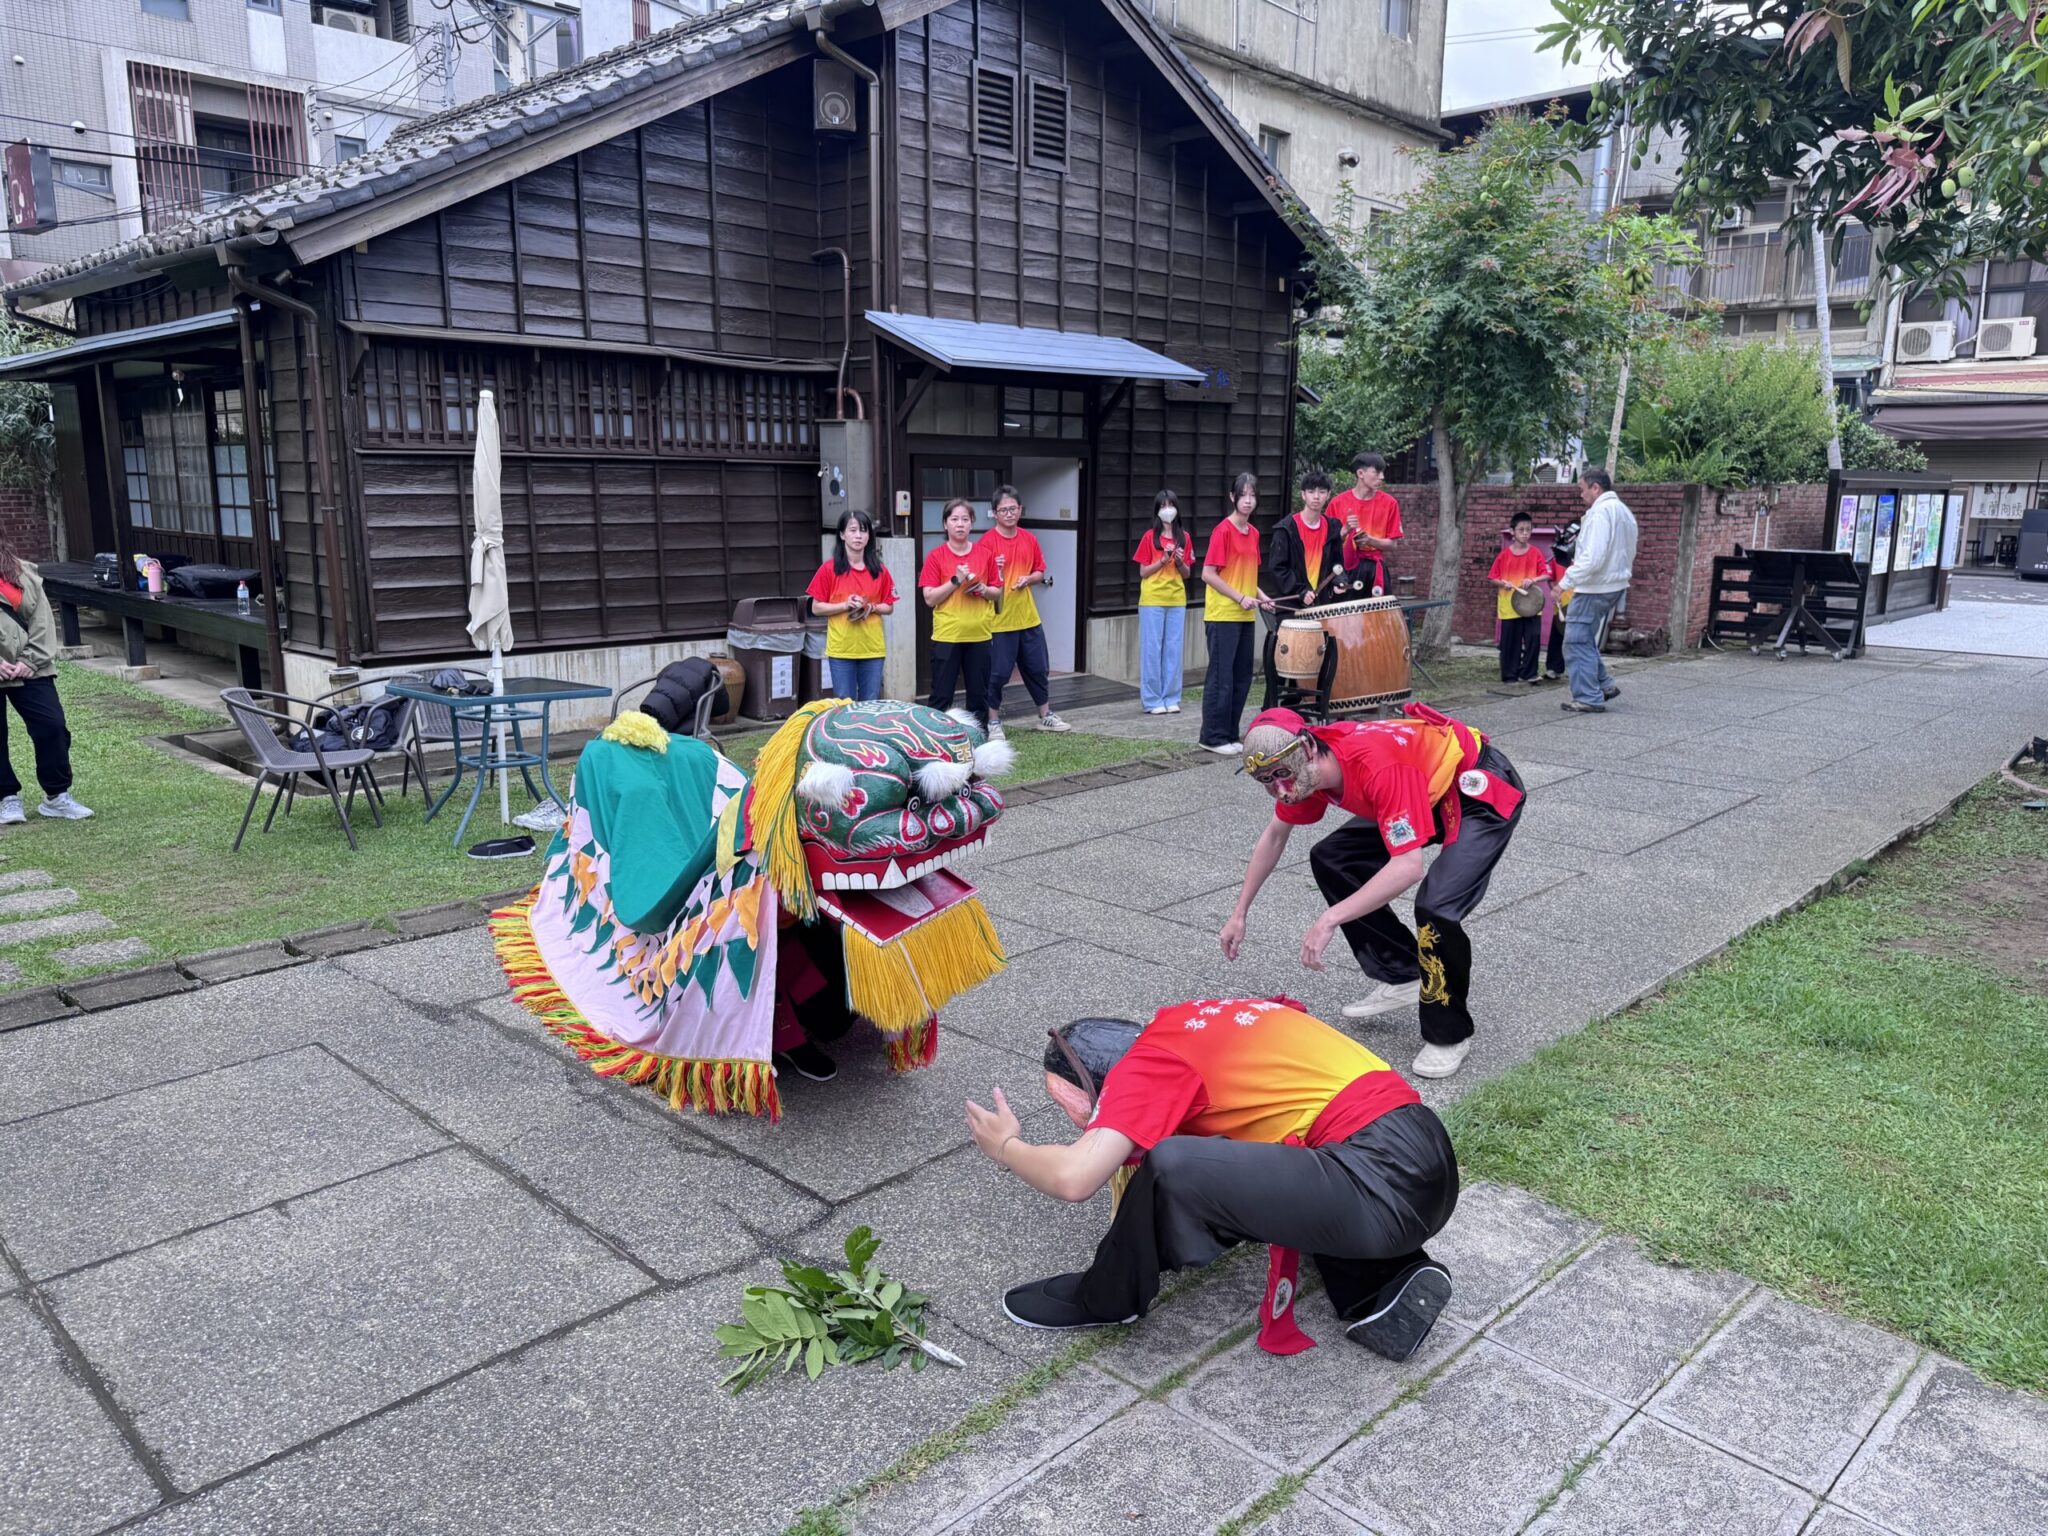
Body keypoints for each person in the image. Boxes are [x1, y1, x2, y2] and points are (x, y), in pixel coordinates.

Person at [963, 1000, 1459, 1359]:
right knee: (1286, 1156)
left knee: (1175, 1166)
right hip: (1423, 1151)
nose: (1071, 1115)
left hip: (1377, 1177)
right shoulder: (1202, 1021)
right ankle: (1386, 1285)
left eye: (1063, 1100)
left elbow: (1075, 1179)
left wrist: (1006, 1147)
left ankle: (1107, 1298)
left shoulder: (1148, 1065)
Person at [1218, 705, 1524, 1080]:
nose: (1280, 789)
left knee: (1437, 908)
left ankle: (1450, 1034)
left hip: (1474, 790)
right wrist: (1239, 912)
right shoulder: (1305, 774)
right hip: (1420, 791)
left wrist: (1330, 918)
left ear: (1309, 749)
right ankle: (1403, 973)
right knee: (1333, 858)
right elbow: (1274, 835)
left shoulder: (1376, 767)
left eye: (1283, 774)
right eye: (1266, 780)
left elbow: (1407, 867)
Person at [0, 545, 92, 825]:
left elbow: (42, 621)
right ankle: (6, 797)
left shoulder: (23, 571)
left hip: (30, 668)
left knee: (52, 726)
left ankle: (56, 795)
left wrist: (31, 660)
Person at [979, 486, 1071, 738]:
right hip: (998, 620)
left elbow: (1040, 571)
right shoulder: (987, 542)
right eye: (1003, 510)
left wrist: (1028, 579)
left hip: (1028, 616)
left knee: (1038, 668)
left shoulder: (1029, 539)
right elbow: (979, 582)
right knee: (997, 674)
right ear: (994, 513)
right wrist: (994, 571)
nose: (1008, 514)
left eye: (1012, 509)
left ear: (1020, 510)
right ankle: (993, 721)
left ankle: (1045, 715)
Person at [1198, 473, 1273, 755]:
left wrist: (1262, 597)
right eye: (1243, 495)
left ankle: (1230, 734)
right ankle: (1212, 736)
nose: (1248, 501)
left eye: (1252, 496)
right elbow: (1208, 574)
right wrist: (1239, 597)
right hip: (1222, 614)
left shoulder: (1253, 533)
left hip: (1245, 614)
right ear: (1233, 498)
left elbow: (1246, 575)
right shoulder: (1223, 531)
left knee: (1242, 677)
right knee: (1221, 677)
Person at [1557, 468, 1638, 715]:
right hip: (1615, 583)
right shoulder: (1624, 512)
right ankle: (1604, 684)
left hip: (1594, 586)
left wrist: (1564, 583)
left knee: (1574, 641)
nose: (1580, 494)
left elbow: (1592, 557)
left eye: (1582, 488)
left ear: (1595, 488)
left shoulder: (1601, 512)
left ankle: (1588, 697)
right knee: (1583, 638)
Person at [1259, 468, 1335, 709]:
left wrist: (1339, 584)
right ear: (1303, 495)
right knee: (1284, 662)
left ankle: (1307, 707)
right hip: (1290, 605)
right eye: (1311, 491)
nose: (1316, 496)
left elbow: (1337, 564)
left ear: (1328, 496)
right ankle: (1271, 710)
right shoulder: (1286, 528)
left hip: (1320, 605)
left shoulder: (1332, 527)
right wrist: (1300, 590)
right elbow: (1278, 567)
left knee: (1319, 660)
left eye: (1321, 492)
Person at [921, 498, 999, 727]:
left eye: (965, 519)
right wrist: (956, 580)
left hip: (980, 635)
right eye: (954, 519)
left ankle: (978, 741)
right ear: (945, 524)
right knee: (941, 696)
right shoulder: (936, 556)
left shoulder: (985, 554)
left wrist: (984, 589)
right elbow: (929, 598)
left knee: (979, 696)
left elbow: (997, 592)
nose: (960, 524)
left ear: (972, 523)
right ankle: (936, 741)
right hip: (947, 635)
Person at [805, 509, 896, 703]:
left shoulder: (879, 570)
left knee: (870, 705)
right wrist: (845, 605)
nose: (858, 536)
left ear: (869, 535)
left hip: (872, 649)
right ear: (842, 534)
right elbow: (816, 608)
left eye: (863, 530)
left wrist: (872, 607)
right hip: (841, 649)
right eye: (852, 530)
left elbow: (889, 606)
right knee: (843, 705)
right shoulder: (829, 569)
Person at [1133, 489, 1193, 716]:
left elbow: (1187, 573)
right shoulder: (1149, 537)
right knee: (1152, 650)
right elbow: (1143, 571)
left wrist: (1178, 561)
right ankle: (1152, 700)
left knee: (1173, 650)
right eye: (1163, 506)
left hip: (1177, 599)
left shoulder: (1184, 537)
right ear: (1157, 511)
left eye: (1171, 505)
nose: (1168, 510)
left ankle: (1171, 697)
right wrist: (1162, 560)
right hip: (1152, 600)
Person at [1328, 452, 1403, 597]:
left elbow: (1393, 545)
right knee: (1346, 616)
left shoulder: (1389, 503)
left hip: (1376, 568)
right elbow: (1327, 543)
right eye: (1377, 472)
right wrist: (1345, 531)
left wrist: (1370, 540)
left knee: (1378, 617)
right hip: (1345, 568)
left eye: (1382, 472)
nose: (1382, 477)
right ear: (1360, 473)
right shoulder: (1337, 503)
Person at [1487, 512, 1548, 687]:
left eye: (1528, 530)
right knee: (1510, 643)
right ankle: (1509, 675)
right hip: (1509, 605)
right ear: (1512, 532)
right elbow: (1492, 578)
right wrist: (1503, 584)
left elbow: (1545, 574)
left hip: (1531, 605)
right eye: (1521, 530)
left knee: (1533, 638)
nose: (1525, 533)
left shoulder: (1535, 553)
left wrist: (1533, 580)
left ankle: (1529, 673)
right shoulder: (1504, 556)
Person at [1544, 521, 1578, 682]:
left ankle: (1577, 669)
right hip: (1561, 603)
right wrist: (1554, 589)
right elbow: (1550, 577)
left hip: (1579, 602)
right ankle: (1554, 668)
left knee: (1577, 638)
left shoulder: (1584, 557)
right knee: (1557, 635)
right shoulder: (1559, 556)